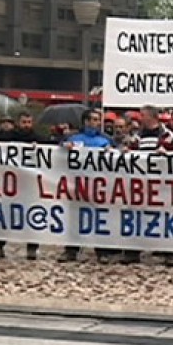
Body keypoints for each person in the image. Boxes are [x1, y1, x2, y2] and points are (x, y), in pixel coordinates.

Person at [57, 110, 113, 263]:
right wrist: (64, 146)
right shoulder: (73, 138)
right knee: (75, 217)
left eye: (98, 119)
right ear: (86, 121)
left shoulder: (105, 139)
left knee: (99, 218)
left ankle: (102, 252)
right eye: (94, 119)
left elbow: (117, 155)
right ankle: (70, 251)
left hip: (97, 185)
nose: (96, 122)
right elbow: (57, 151)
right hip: (77, 184)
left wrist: (112, 151)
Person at [0, 112, 43, 260]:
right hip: (10, 185)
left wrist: (40, 147)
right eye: (24, 122)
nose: (26, 125)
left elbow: (53, 147)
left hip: (29, 185)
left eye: (29, 122)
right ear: (19, 122)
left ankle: (32, 248)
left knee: (31, 216)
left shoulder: (38, 139)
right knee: (4, 215)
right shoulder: (9, 135)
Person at [134, 105, 173, 266]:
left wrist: (167, 154)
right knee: (138, 217)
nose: (140, 118)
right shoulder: (137, 136)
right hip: (140, 184)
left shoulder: (168, 136)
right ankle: (133, 251)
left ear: (152, 116)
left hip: (161, 184)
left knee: (164, 217)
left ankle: (167, 252)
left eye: (143, 115)